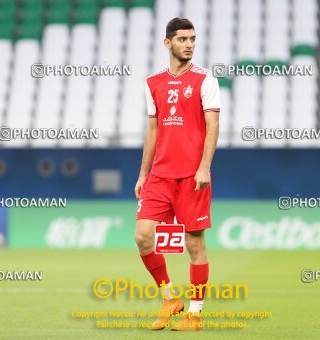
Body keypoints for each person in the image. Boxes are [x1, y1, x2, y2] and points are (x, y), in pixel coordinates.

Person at [134, 18, 220, 331]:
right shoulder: (152, 82)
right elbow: (152, 129)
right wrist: (143, 173)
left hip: (191, 177)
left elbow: (213, 126)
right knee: (143, 236)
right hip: (160, 176)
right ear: (167, 43)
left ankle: (194, 314)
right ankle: (170, 298)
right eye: (182, 39)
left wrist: (204, 167)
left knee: (194, 244)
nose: (189, 44)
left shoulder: (205, 79)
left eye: (193, 39)